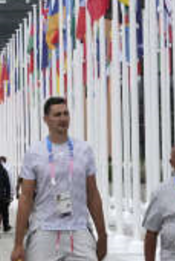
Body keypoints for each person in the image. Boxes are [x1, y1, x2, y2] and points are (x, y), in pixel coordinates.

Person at [11, 97, 108, 261]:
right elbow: (26, 198)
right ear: (46, 119)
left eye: (66, 114)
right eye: (57, 115)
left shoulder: (84, 150)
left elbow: (92, 194)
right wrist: (18, 243)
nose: (63, 119)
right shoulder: (34, 152)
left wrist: (102, 234)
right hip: (44, 230)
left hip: (78, 229)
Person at [0, 156, 15, 232]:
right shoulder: (8, 169)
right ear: (5, 161)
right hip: (5, 192)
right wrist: (12, 194)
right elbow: (11, 182)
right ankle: (6, 225)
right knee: (5, 210)